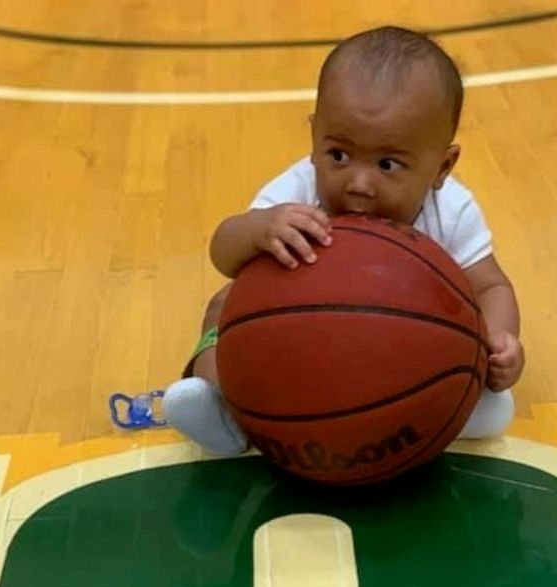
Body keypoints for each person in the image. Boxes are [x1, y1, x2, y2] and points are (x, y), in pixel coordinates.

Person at [163, 26, 524, 455]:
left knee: (461, 343)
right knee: (225, 304)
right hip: (295, 343)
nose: (358, 183)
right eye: (337, 155)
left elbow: (491, 286)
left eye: (388, 164)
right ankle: (221, 404)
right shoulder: (298, 190)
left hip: (396, 353)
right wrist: (259, 229)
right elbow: (223, 251)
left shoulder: (452, 210)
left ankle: (452, 405)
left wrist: (501, 340)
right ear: (315, 139)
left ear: (442, 166)